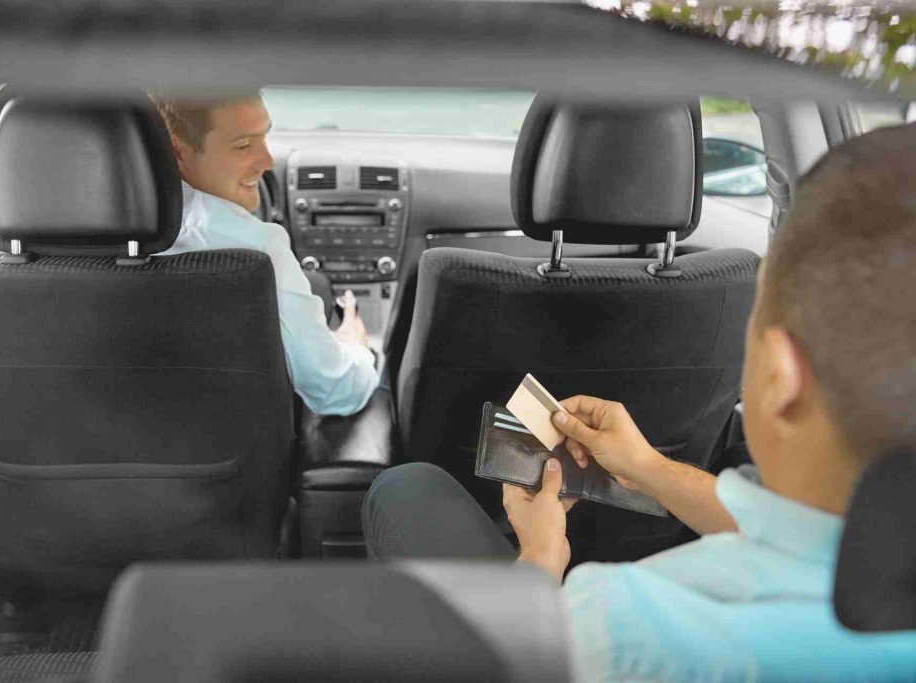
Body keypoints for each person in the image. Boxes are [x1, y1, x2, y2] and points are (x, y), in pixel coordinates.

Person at [363, 124, 916, 680]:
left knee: (405, 488)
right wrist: (649, 469)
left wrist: (541, 561)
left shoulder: (618, 624)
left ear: (780, 376)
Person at [151, 91, 378, 416]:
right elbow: (335, 392)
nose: (267, 161)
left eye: (265, 137)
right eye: (243, 146)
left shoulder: (66, 241)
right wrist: (358, 348)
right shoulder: (254, 247)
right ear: (178, 151)